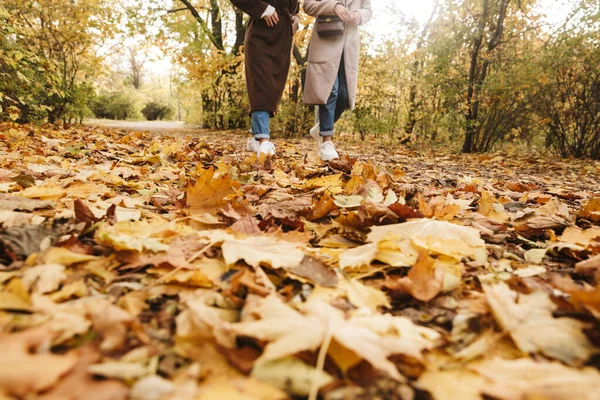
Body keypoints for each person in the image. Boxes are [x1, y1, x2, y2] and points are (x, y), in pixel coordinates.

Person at [303, 0, 372, 161]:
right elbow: (308, 5)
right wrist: (333, 7)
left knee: (345, 95)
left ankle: (320, 127)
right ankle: (327, 140)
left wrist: (359, 15)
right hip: (326, 40)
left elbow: (368, 10)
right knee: (329, 90)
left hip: (349, 46)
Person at [230, 0, 300, 157]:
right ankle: (263, 139)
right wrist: (263, 9)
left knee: (274, 89)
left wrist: (296, 16)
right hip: (260, 33)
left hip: (283, 36)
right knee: (261, 84)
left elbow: (295, 5)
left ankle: (255, 137)